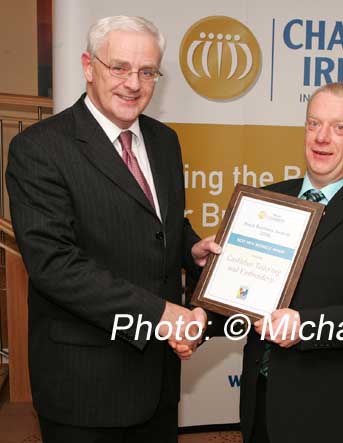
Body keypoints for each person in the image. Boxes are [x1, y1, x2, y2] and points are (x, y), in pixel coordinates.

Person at [6, 15, 217, 443]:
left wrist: (189, 248)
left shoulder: (164, 140)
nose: (133, 83)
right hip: (85, 384)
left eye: (146, 71)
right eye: (118, 67)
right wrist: (161, 315)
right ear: (88, 66)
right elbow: (55, 265)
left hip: (156, 378)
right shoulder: (40, 148)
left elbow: (160, 222)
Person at [178, 82, 343, 442]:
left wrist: (307, 325)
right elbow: (241, 293)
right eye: (313, 124)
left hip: (327, 414)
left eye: (339, 128)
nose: (321, 138)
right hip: (259, 405)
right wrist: (203, 318)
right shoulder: (269, 199)